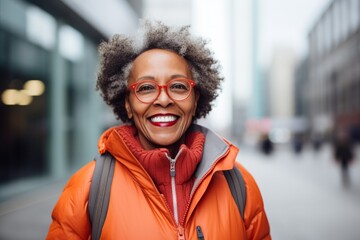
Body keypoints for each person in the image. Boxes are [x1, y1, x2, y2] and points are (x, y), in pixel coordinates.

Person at [46, 20, 271, 239]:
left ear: (195, 99)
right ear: (128, 103)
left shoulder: (240, 184)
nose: (163, 99)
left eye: (178, 86)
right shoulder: (88, 188)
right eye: (145, 88)